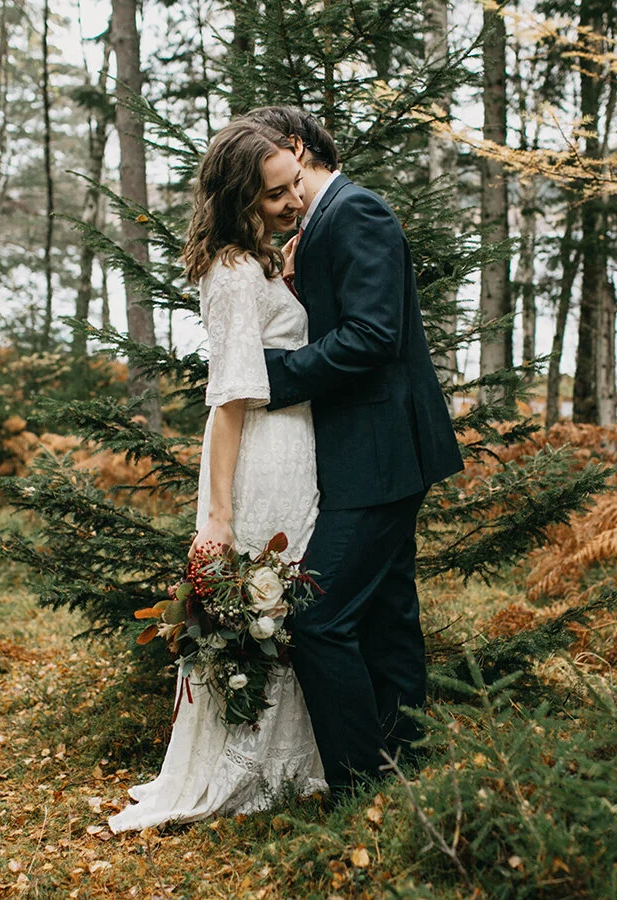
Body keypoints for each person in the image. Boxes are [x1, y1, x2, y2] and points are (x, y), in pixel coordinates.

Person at [238, 105, 465, 797]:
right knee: (388, 610)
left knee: (319, 616)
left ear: (296, 147)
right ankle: (405, 766)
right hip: (375, 448)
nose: (278, 196)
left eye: (278, 175)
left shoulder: (356, 211)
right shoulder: (321, 222)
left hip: (380, 449)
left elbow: (372, 336)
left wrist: (271, 378)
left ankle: (361, 785)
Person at [109, 122, 326, 832]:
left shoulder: (254, 260)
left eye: (296, 183)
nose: (295, 199)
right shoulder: (234, 275)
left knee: (282, 600)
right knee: (266, 597)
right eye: (277, 194)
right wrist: (221, 517)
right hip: (261, 455)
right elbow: (230, 400)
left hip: (287, 446)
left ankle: (290, 758)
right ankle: (255, 766)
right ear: (241, 200)